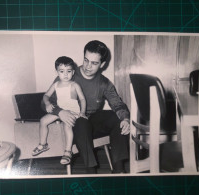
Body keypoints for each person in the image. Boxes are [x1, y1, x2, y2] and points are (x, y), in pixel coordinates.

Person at [45, 40, 130, 173]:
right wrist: (59, 111)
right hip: (72, 123)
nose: (88, 66)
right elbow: (45, 102)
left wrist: (125, 119)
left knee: (116, 118)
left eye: (94, 63)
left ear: (102, 64)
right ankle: (91, 172)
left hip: (93, 120)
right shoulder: (68, 74)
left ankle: (119, 170)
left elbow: (118, 104)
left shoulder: (104, 83)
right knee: (81, 122)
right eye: (86, 60)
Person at [32, 56, 87, 165]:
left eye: (69, 71)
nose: (65, 74)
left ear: (73, 72)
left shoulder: (75, 85)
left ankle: (68, 151)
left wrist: (82, 112)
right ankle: (43, 144)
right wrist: (47, 103)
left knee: (67, 126)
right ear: (57, 72)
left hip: (72, 112)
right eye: (62, 71)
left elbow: (82, 99)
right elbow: (46, 95)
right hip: (61, 111)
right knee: (43, 121)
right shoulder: (56, 84)